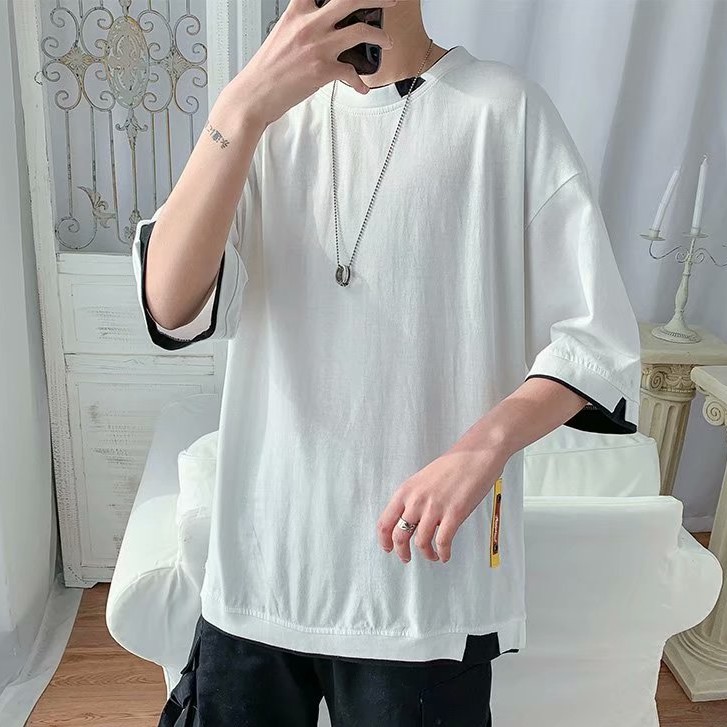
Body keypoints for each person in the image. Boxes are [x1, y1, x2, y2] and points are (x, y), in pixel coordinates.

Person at [131, 0, 641, 724]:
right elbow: (170, 305)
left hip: (420, 587)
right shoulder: (266, 121)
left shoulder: (504, 113)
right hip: (260, 572)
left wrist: (482, 448)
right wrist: (239, 108)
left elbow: (594, 342)